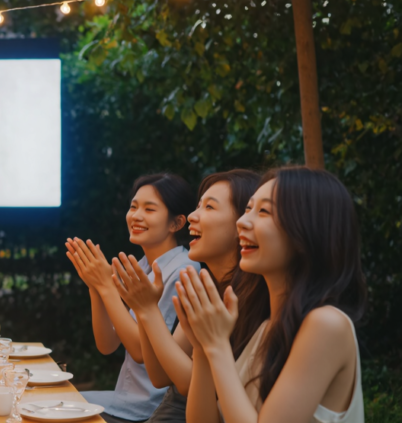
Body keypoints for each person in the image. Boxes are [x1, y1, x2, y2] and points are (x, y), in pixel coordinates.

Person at [177, 166, 367, 423]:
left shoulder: (327, 324)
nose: (242, 222)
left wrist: (217, 345)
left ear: (307, 231)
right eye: (247, 209)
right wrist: (201, 347)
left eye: (264, 211)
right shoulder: (266, 330)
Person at [111, 170, 269, 423]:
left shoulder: (248, 297)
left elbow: (186, 382)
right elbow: (161, 376)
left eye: (209, 207)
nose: (194, 216)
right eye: (198, 206)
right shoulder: (209, 289)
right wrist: (144, 309)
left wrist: (142, 308)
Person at [65, 173, 198, 423]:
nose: (136, 216)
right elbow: (108, 344)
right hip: (125, 400)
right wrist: (95, 286)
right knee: (46, 401)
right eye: (134, 206)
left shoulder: (182, 270)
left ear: (176, 223)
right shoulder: (143, 265)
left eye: (149, 209)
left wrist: (106, 286)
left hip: (147, 409)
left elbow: (139, 350)